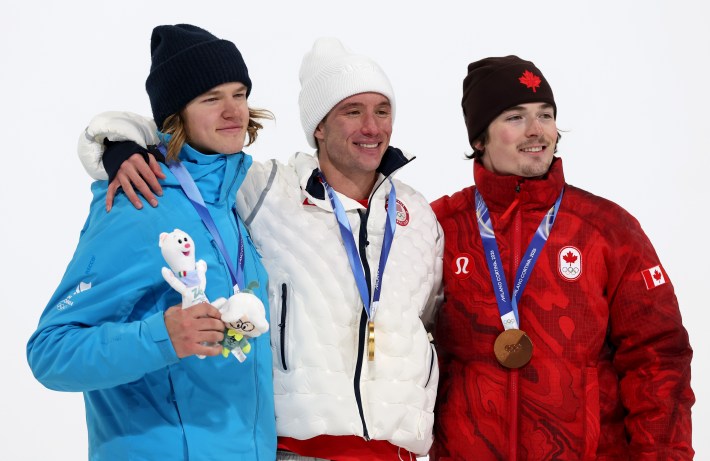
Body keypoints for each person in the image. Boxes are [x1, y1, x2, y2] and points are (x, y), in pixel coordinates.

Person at [74, 38, 443, 460]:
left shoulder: (417, 213)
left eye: (382, 110)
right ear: (318, 126)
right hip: (295, 449)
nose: (372, 127)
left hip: (398, 452)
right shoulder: (264, 190)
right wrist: (120, 149)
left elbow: (433, 321)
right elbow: (193, 155)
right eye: (352, 111)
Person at [27, 24, 276, 460]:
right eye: (211, 98)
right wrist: (162, 336)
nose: (233, 111)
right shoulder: (139, 202)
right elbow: (51, 352)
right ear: (175, 116)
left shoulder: (232, 202)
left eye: (239, 93)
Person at [430, 55, 694, 460]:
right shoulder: (438, 228)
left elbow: (658, 358)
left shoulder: (607, 229)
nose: (537, 131)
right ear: (479, 139)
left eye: (545, 115)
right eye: (515, 117)